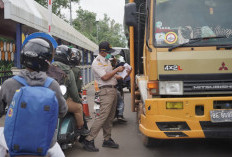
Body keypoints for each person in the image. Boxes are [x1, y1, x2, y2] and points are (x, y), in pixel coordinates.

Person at [0, 38, 68, 157]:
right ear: (46, 61)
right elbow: (62, 112)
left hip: (13, 143)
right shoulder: (52, 84)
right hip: (46, 144)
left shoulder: (8, 84)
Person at [83, 41, 125, 152]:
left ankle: (107, 139)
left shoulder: (107, 60)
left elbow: (110, 75)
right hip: (105, 91)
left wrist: (119, 75)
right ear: (102, 51)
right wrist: (116, 70)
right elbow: (105, 77)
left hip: (112, 90)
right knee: (102, 116)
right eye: (108, 52)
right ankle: (89, 139)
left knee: (110, 117)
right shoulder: (97, 62)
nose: (109, 54)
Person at [53, 45, 89, 135]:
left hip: (47, 101)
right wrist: (78, 100)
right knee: (78, 107)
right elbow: (74, 92)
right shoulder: (68, 70)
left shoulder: (48, 67)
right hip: (62, 101)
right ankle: (81, 129)